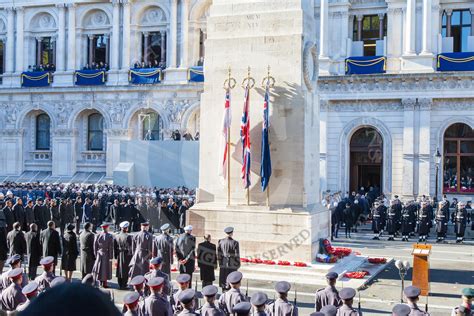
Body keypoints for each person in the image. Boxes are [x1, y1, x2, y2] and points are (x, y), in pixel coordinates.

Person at [92, 223, 114, 288]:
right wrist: (111, 256)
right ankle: (104, 283)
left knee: (99, 268)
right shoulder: (109, 236)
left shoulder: (97, 235)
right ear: (106, 228)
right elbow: (110, 247)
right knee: (105, 269)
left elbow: (95, 246)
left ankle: (99, 282)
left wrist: (96, 254)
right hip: (106, 253)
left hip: (99, 253)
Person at [114, 221, 133, 289]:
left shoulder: (117, 236)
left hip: (119, 254)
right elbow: (131, 247)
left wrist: (116, 255)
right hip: (126, 255)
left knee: (119, 269)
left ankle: (120, 284)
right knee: (125, 270)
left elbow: (115, 246)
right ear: (126, 228)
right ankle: (124, 285)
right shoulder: (128, 237)